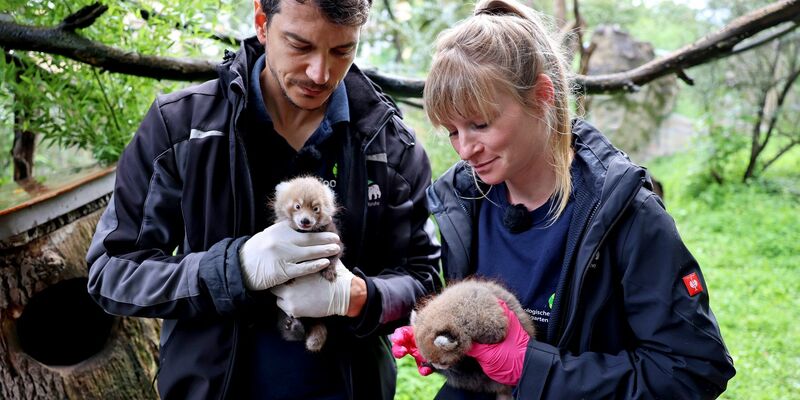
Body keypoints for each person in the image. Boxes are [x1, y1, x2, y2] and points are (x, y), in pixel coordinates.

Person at [86, 0, 441, 399]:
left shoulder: (388, 145)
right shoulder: (183, 127)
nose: (320, 73)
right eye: (299, 45)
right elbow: (111, 273)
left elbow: (426, 282)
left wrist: (357, 296)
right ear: (261, 21)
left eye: (342, 50)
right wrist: (232, 271)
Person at [390, 0, 736, 398]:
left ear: (541, 95)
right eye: (451, 130)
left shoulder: (628, 215)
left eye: (479, 124)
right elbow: (488, 356)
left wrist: (532, 369)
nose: (464, 149)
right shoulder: (464, 201)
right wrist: (445, 343)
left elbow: (691, 369)